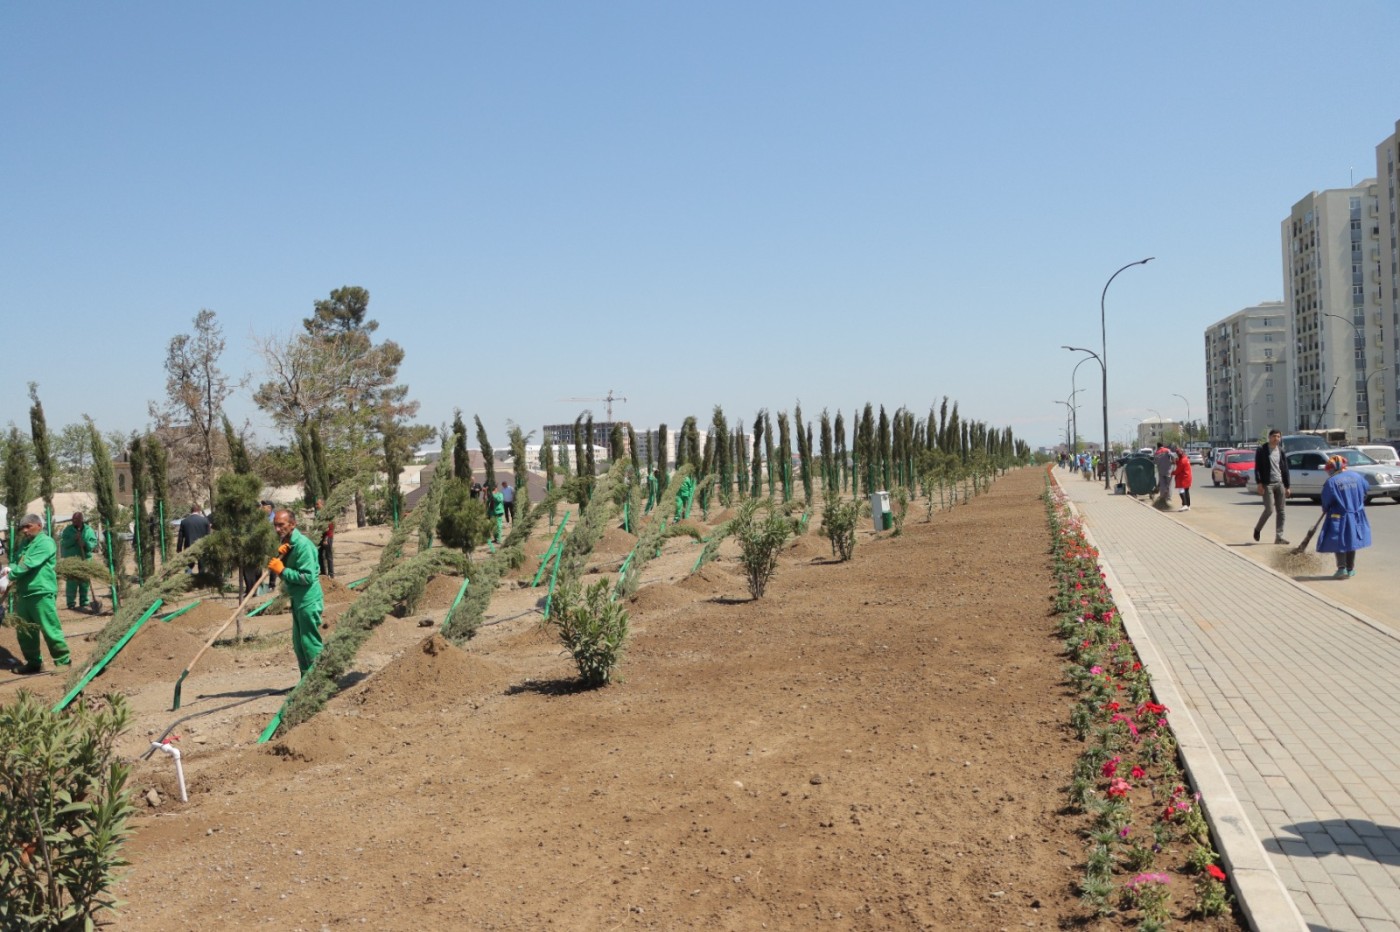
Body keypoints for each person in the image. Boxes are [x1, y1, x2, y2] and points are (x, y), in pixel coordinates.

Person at [10, 513, 70, 674]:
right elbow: (16, 562)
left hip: (41, 592)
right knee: (25, 631)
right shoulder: (24, 544)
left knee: (49, 628)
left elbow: (29, 564)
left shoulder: (46, 542)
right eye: (23, 527)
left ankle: (63, 662)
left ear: (39, 525)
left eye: (28, 526)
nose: (24, 530)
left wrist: (10, 575)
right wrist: (7, 572)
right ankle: (34, 663)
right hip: (24, 593)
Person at [268, 509, 324, 676]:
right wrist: (283, 555)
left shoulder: (303, 545)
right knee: (299, 643)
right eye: (275, 525)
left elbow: (307, 577)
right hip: (298, 598)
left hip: (308, 598)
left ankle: (319, 680)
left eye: (281, 525)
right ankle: (306, 680)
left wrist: (282, 571)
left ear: (293, 525)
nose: (277, 529)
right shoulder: (290, 543)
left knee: (309, 642)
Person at [1317, 454, 1370, 578]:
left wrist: (1325, 508)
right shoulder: (1357, 476)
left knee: (1339, 540)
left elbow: (1326, 501)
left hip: (1338, 515)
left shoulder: (1331, 482)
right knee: (1352, 540)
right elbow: (1365, 491)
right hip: (1356, 515)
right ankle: (1350, 569)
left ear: (1332, 469)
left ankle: (1342, 569)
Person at [58, 511, 101, 613]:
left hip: (85, 560)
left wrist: (85, 544)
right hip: (72, 560)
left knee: (84, 582)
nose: (74, 521)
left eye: (76, 519)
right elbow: (64, 543)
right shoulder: (68, 530)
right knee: (71, 582)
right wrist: (74, 539)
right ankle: (71, 604)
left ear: (81, 520)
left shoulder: (88, 530)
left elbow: (93, 543)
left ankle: (84, 602)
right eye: (73, 519)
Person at [1253, 429, 1291, 544]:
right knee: (1269, 509)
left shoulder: (1281, 451)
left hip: (1279, 483)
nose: (1276, 438)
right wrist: (1259, 483)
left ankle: (1279, 537)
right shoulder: (1262, 450)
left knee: (1281, 511)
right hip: (1267, 484)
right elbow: (1257, 468)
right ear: (1269, 437)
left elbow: (1285, 469)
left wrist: (1287, 486)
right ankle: (1257, 529)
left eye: (1278, 436)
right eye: (1274, 436)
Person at [177, 505, 212, 573]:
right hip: (202, 547)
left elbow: (180, 537)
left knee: (188, 566)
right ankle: (201, 580)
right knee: (202, 566)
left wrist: (179, 549)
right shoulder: (205, 521)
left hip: (189, 547)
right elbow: (208, 536)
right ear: (199, 511)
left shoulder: (184, 522)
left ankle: (188, 580)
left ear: (191, 511)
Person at [315, 499, 335, 578]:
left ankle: (331, 574)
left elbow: (329, 527)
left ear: (322, 505)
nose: (316, 506)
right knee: (319, 554)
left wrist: (326, 538)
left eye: (317, 504)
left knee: (328, 556)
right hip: (321, 536)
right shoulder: (319, 514)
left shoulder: (327, 514)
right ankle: (323, 573)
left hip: (327, 536)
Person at [1173, 447, 1193, 511]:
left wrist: (1171, 473)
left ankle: (1184, 505)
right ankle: (1188, 505)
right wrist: (1176, 461)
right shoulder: (1185, 458)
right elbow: (1179, 462)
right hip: (1188, 477)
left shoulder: (1182, 461)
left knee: (1181, 490)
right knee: (1186, 491)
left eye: (1177, 454)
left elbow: (1177, 471)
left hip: (1183, 478)